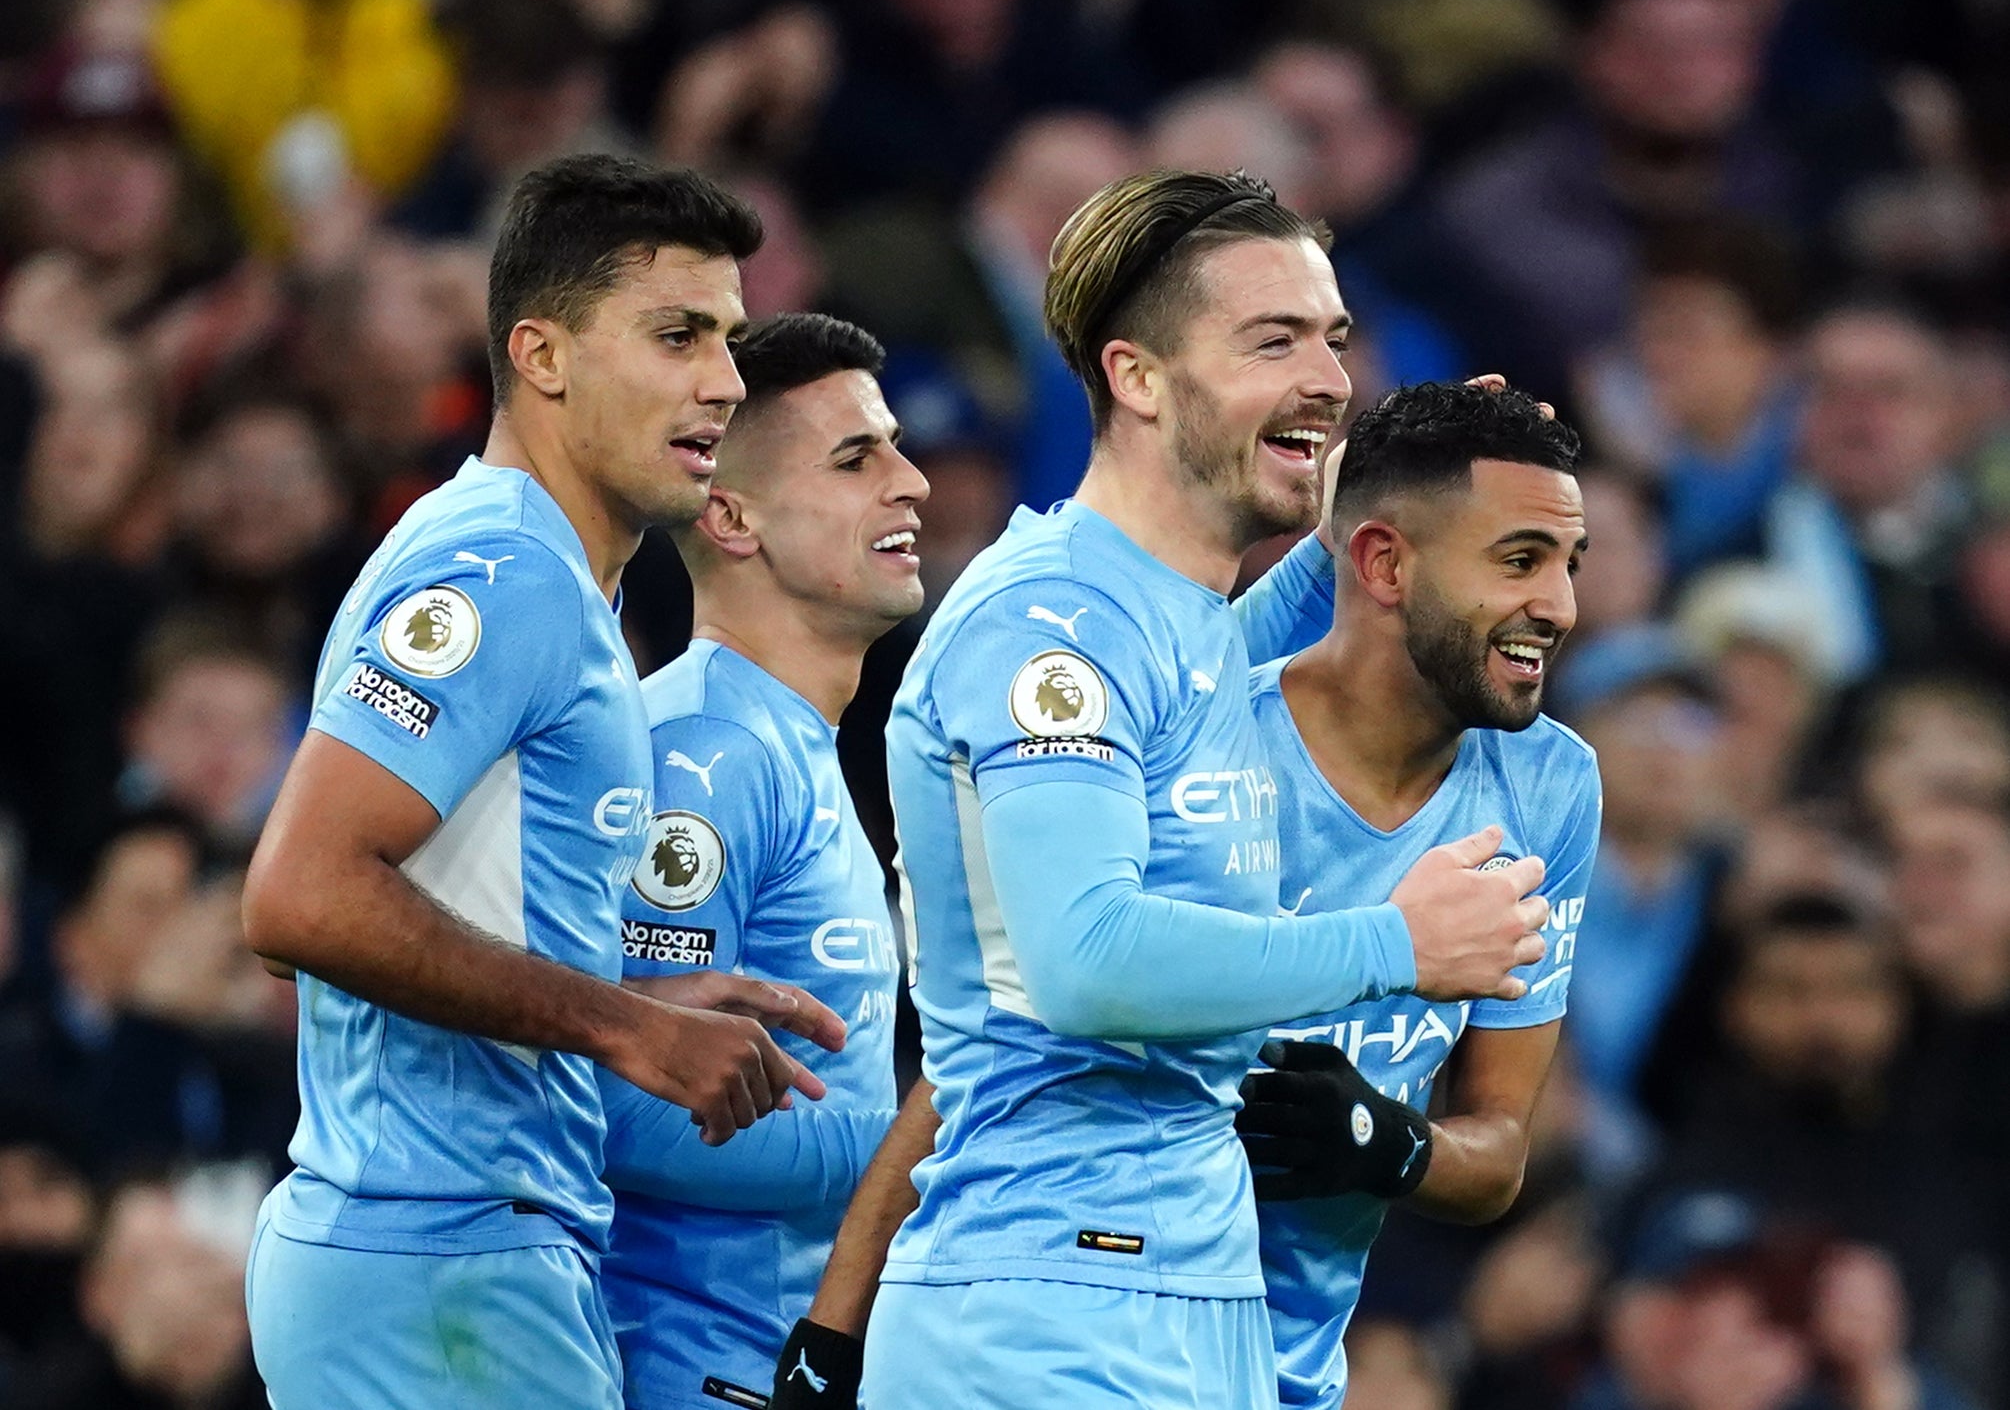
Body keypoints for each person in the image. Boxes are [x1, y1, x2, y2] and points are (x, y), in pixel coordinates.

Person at [822, 169, 1551, 1410]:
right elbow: (1086, 959)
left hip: (1187, 1298)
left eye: (1332, 338)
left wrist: (1401, 479)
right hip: (1047, 1305)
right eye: (1273, 340)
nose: (1328, 375)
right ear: (1138, 377)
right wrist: (1393, 941)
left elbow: (1308, 584)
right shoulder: (1053, 620)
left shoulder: (1185, 620)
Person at [238, 153, 832, 1410]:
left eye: (728, 338)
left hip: (447, 1247)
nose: (725, 381)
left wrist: (622, 982)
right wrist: (631, 1027)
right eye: (676, 335)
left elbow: (371, 917)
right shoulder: (504, 574)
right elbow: (295, 900)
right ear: (543, 354)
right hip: (441, 1252)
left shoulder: (551, 576)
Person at [1234, 381, 1600, 1409]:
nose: (1562, 607)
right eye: (1520, 559)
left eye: (1571, 564)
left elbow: (1498, 1152)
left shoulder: (1551, 785)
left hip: (1291, 1375)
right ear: (1386, 563)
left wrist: (1386, 1140)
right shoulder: (1206, 737)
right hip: (1088, 1333)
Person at [594, 312, 922, 1409]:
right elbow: (621, 1100)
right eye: (855, 457)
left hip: (770, 1360)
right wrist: (927, 1150)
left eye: (895, 446)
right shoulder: (704, 754)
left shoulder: (786, 743)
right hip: (682, 1359)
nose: (911, 482)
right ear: (732, 516)